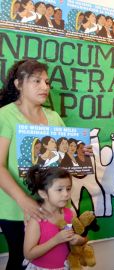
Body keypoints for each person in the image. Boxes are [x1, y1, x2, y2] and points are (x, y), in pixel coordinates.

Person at [0, 59, 64, 269]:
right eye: (36, 81)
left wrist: (80, 154)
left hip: (48, 204)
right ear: (19, 84)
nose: (44, 87)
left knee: (49, 257)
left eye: (47, 82)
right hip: (14, 207)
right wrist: (24, 200)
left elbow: (63, 161)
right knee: (21, 259)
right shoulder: (5, 115)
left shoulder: (53, 117)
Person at [23, 166, 85, 269]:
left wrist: (78, 240)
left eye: (68, 189)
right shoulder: (36, 220)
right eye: (59, 190)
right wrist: (55, 240)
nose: (66, 194)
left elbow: (82, 239)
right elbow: (28, 254)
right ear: (43, 193)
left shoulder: (70, 214)